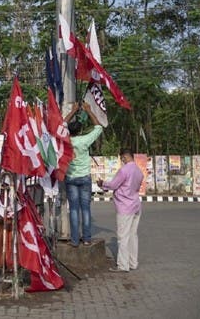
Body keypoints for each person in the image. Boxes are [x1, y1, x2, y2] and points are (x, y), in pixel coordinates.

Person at [97, 148, 144, 272]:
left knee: (122, 237)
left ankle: (123, 265)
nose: (122, 160)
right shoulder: (139, 171)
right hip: (136, 205)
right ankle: (133, 263)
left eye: (122, 158)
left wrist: (102, 183)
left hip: (125, 207)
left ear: (124, 157)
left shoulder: (124, 170)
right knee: (133, 235)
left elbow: (113, 185)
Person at [64, 101, 103, 247]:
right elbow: (98, 127)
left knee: (73, 209)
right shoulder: (85, 140)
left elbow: (60, 126)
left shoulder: (66, 141)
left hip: (70, 177)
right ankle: (86, 239)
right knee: (85, 208)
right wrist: (88, 110)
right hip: (84, 177)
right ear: (80, 131)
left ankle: (74, 240)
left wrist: (73, 111)